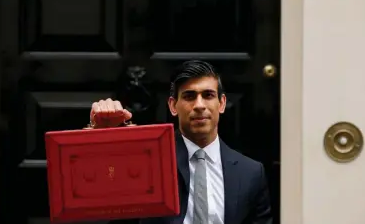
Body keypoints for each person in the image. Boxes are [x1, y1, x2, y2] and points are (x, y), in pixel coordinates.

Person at [88, 60, 272, 224]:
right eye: (189, 96)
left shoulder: (251, 174)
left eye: (208, 95)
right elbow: (106, 210)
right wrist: (102, 139)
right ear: (172, 106)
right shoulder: (147, 163)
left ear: (222, 103)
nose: (199, 105)